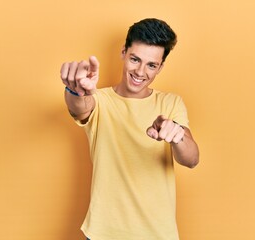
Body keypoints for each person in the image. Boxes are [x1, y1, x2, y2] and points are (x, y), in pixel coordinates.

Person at [60, 18, 199, 240]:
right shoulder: (100, 100)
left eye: (151, 65)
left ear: (160, 67)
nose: (140, 72)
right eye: (135, 59)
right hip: (103, 233)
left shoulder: (170, 103)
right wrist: (75, 90)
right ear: (124, 53)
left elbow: (191, 159)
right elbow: (80, 107)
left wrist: (177, 137)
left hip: (157, 234)